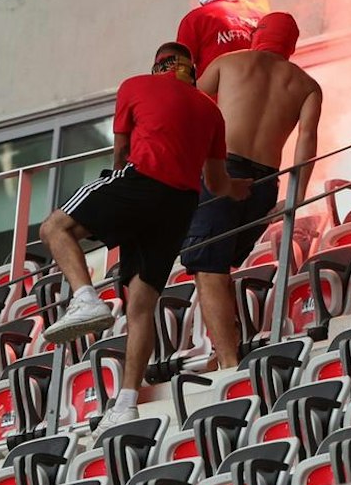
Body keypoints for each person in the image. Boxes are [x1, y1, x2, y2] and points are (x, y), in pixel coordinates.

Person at [39, 44, 250, 431]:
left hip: (142, 183)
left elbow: (120, 151)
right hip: (180, 206)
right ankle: (126, 403)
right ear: (192, 69)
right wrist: (239, 189)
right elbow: (217, 183)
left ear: (158, 66)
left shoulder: (135, 86)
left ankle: (86, 298)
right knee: (141, 304)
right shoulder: (210, 111)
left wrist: (119, 200)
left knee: (54, 228)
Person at [182, 12, 323, 370]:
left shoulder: (229, 62)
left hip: (224, 171)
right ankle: (224, 350)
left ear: (256, 35)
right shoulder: (307, 86)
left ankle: (228, 360)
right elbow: (307, 142)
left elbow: (186, 109)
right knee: (220, 263)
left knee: (208, 266)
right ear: (291, 45)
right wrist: (296, 196)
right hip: (263, 185)